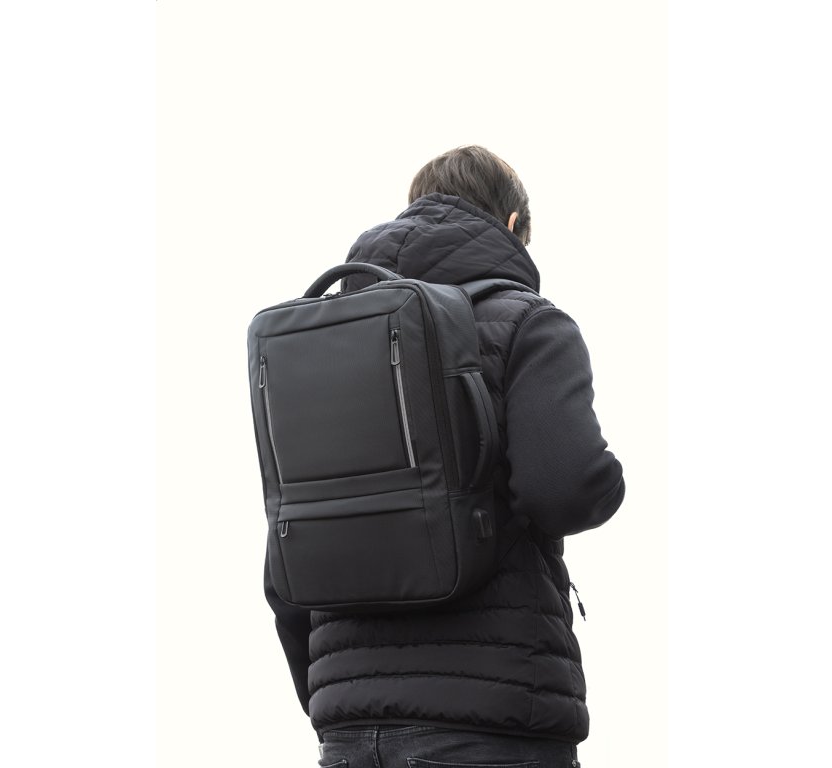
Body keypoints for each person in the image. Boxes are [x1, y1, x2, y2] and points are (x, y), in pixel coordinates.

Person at [263, 145, 625, 767]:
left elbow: (287, 558)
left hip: (347, 733)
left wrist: (338, 702)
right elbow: (565, 487)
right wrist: (609, 480)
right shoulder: (527, 322)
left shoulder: (326, 343)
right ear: (513, 223)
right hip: (491, 726)